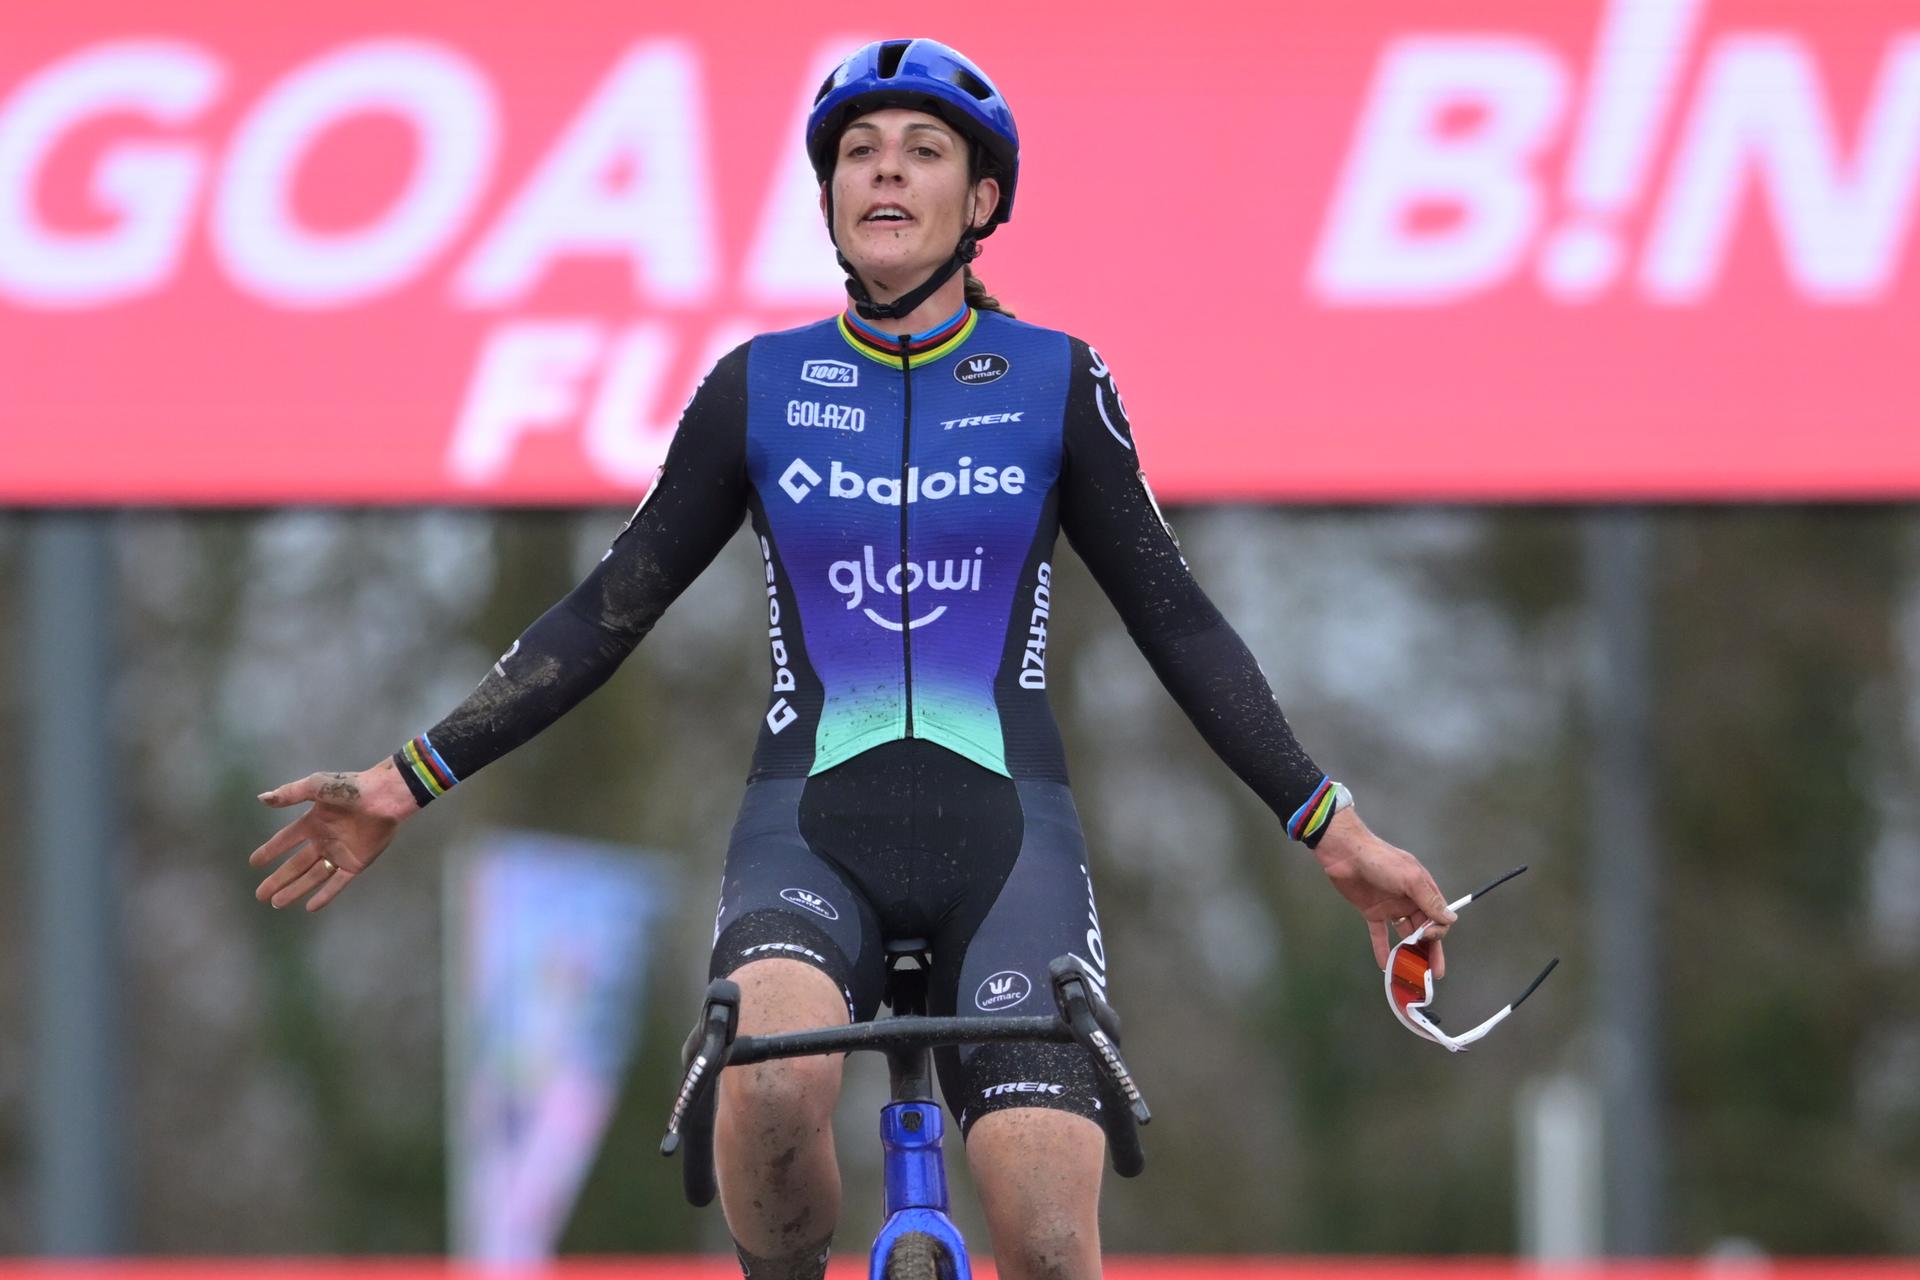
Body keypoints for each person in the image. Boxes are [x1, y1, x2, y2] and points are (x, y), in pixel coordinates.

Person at [249, 37, 1457, 1280]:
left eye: (924, 152)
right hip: (809, 830)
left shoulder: (1055, 378)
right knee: (768, 1092)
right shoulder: (757, 386)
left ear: (982, 201)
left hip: (1010, 841)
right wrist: (404, 776)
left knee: (1046, 1240)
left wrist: (1336, 829)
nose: (886, 174)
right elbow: (606, 611)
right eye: (858, 154)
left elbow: (1182, 624)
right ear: (827, 196)